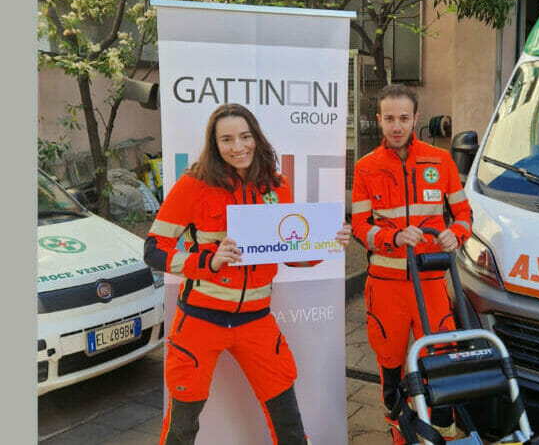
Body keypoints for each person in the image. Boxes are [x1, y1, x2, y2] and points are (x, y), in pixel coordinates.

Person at [144, 103, 351, 445]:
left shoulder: (276, 185)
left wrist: (326, 243)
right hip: (199, 322)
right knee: (181, 429)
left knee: (289, 426)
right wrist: (206, 261)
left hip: (256, 321)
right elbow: (153, 249)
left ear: (256, 137)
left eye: (245, 136)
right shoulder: (193, 185)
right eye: (227, 139)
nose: (238, 147)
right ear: (215, 144)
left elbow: (289, 253)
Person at [350, 84, 473, 444]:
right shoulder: (365, 168)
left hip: (432, 279)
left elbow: (463, 213)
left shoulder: (441, 160)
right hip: (385, 285)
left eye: (404, 118)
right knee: (389, 361)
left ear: (416, 118)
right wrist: (392, 238)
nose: (397, 126)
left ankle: (444, 430)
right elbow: (360, 225)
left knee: (441, 359)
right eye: (389, 118)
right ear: (379, 120)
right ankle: (399, 430)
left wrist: (456, 234)